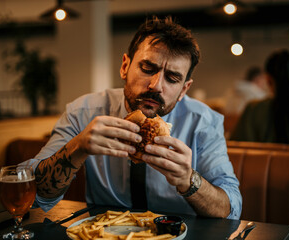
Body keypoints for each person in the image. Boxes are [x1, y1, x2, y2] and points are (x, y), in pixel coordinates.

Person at [23, 16, 242, 219]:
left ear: (184, 90)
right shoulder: (83, 112)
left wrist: (189, 180)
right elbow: (34, 196)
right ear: (125, 66)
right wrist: (77, 147)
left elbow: (231, 208)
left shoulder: (204, 122)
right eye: (147, 68)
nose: (156, 86)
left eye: (172, 78)